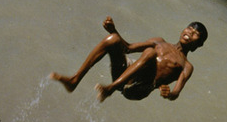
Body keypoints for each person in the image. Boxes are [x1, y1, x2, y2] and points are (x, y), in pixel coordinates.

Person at [50, 16, 207, 102]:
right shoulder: (159, 41)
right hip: (125, 74)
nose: (190, 32)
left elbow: (176, 93)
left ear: (197, 45)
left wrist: (168, 94)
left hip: (139, 88)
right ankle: (74, 80)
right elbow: (128, 48)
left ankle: (110, 89)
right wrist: (114, 30)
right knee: (112, 39)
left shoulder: (186, 66)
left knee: (150, 53)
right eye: (190, 28)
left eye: (195, 34)